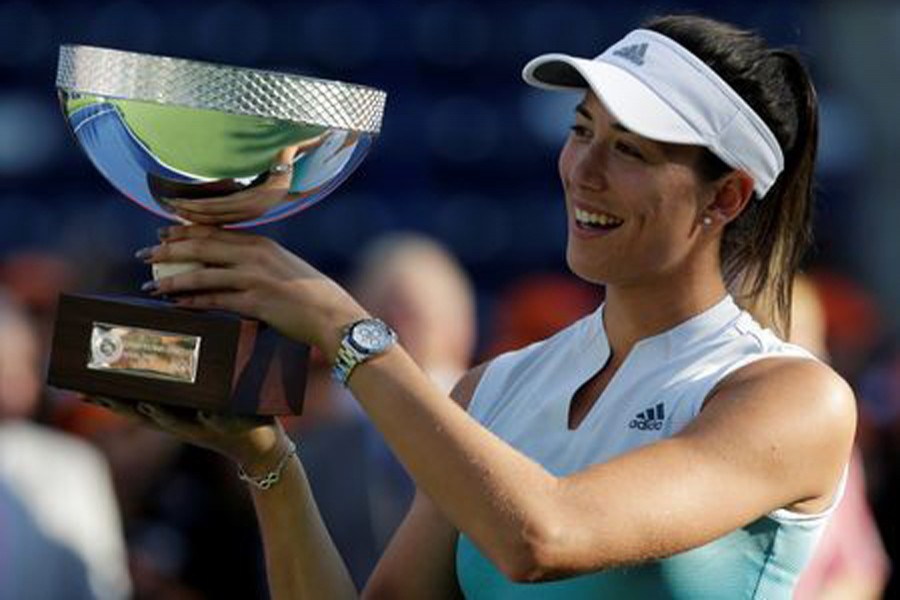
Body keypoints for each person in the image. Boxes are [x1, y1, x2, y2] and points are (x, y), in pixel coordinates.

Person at [108, 14, 855, 598]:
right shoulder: (494, 390)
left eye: (630, 150)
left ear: (725, 197)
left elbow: (544, 537)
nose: (584, 171)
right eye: (581, 131)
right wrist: (266, 460)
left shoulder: (792, 397)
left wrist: (345, 330)